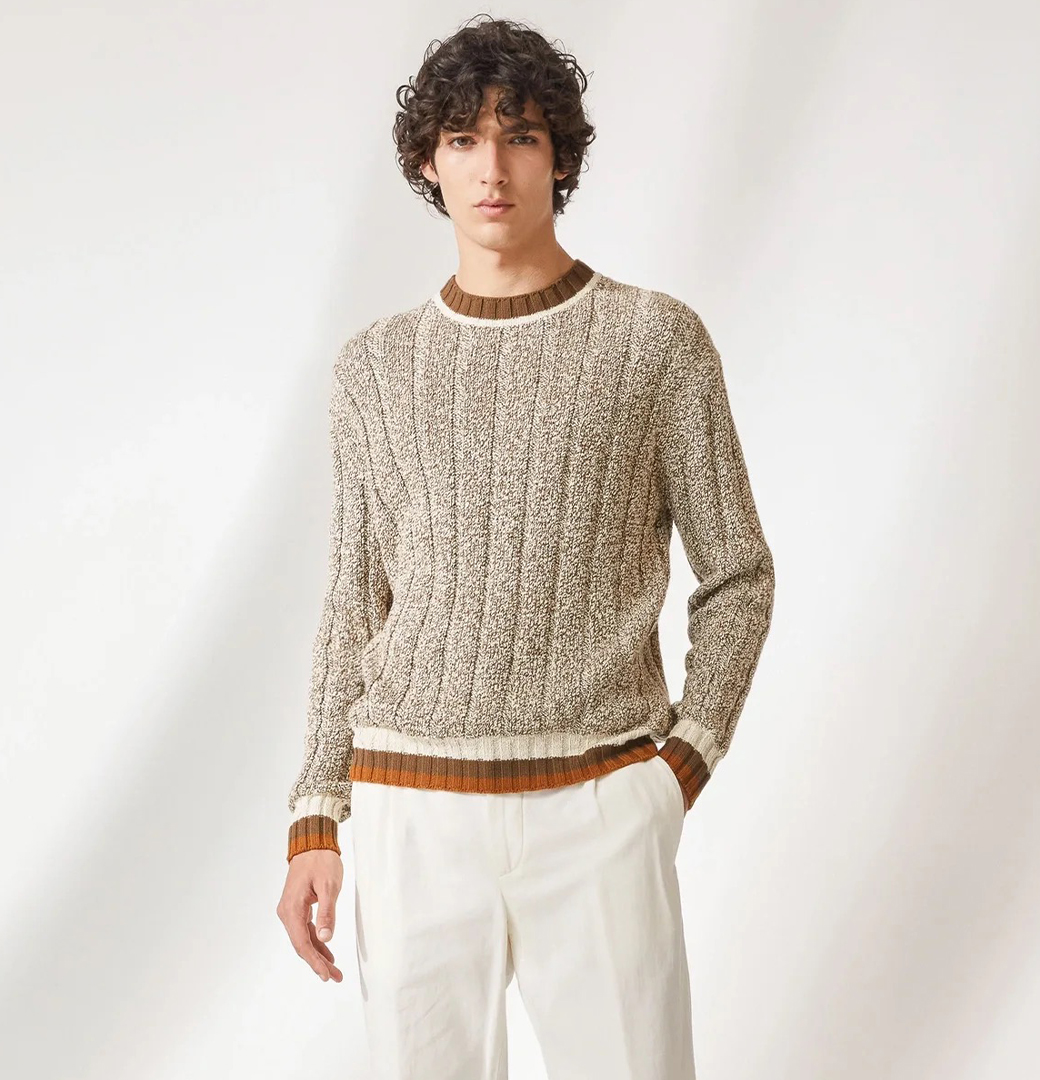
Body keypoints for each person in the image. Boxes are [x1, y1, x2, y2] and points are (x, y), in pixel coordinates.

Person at [276, 14, 775, 1079]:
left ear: (560, 157)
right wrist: (317, 813)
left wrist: (682, 764)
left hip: (597, 807)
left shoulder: (654, 341)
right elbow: (354, 599)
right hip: (410, 813)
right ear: (429, 162)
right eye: (463, 139)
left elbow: (737, 571)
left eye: (521, 136)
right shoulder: (374, 367)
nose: (492, 168)